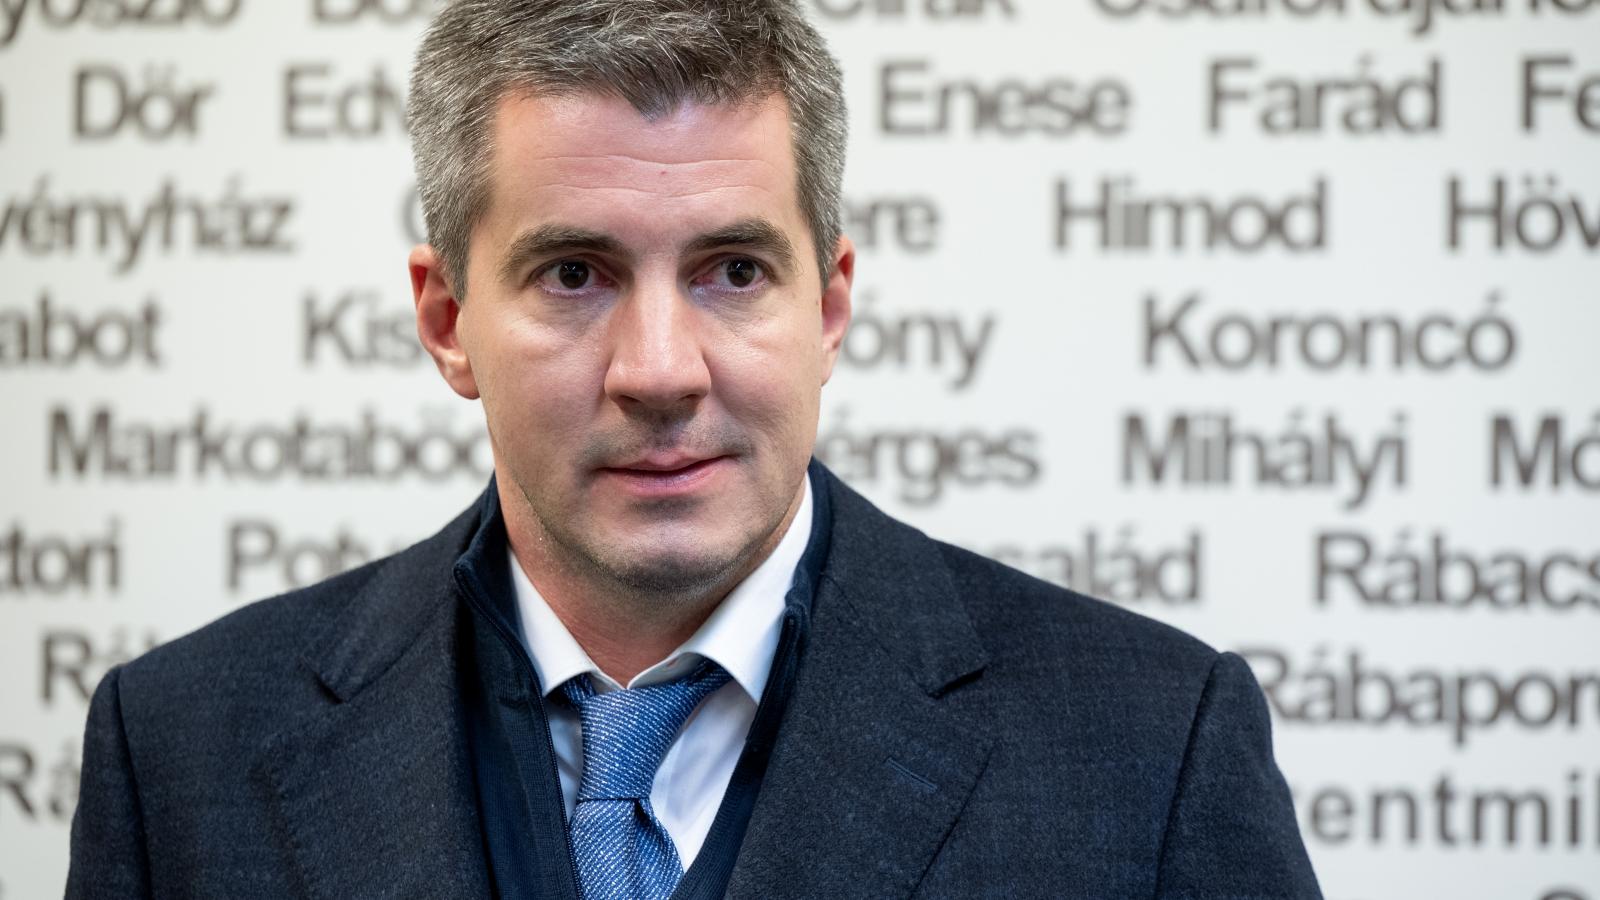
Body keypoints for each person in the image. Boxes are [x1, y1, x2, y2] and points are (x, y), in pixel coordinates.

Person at [66, 1, 1322, 897]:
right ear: (447, 323)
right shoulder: (178, 752)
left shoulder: (1154, 747)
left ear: (827, 309)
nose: (660, 371)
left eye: (733, 270)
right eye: (574, 273)